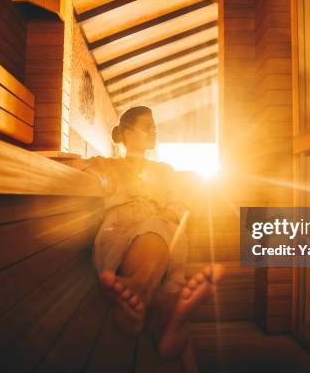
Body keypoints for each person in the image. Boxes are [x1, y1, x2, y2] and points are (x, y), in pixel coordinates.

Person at [79, 106, 224, 358]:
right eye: (147, 127)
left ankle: (139, 292)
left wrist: (166, 216)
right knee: (155, 251)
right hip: (118, 226)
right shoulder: (105, 164)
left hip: (160, 228)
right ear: (126, 132)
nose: (153, 132)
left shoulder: (165, 171)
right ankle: (164, 312)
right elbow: (74, 169)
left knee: (156, 230)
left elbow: (181, 202)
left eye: (155, 128)